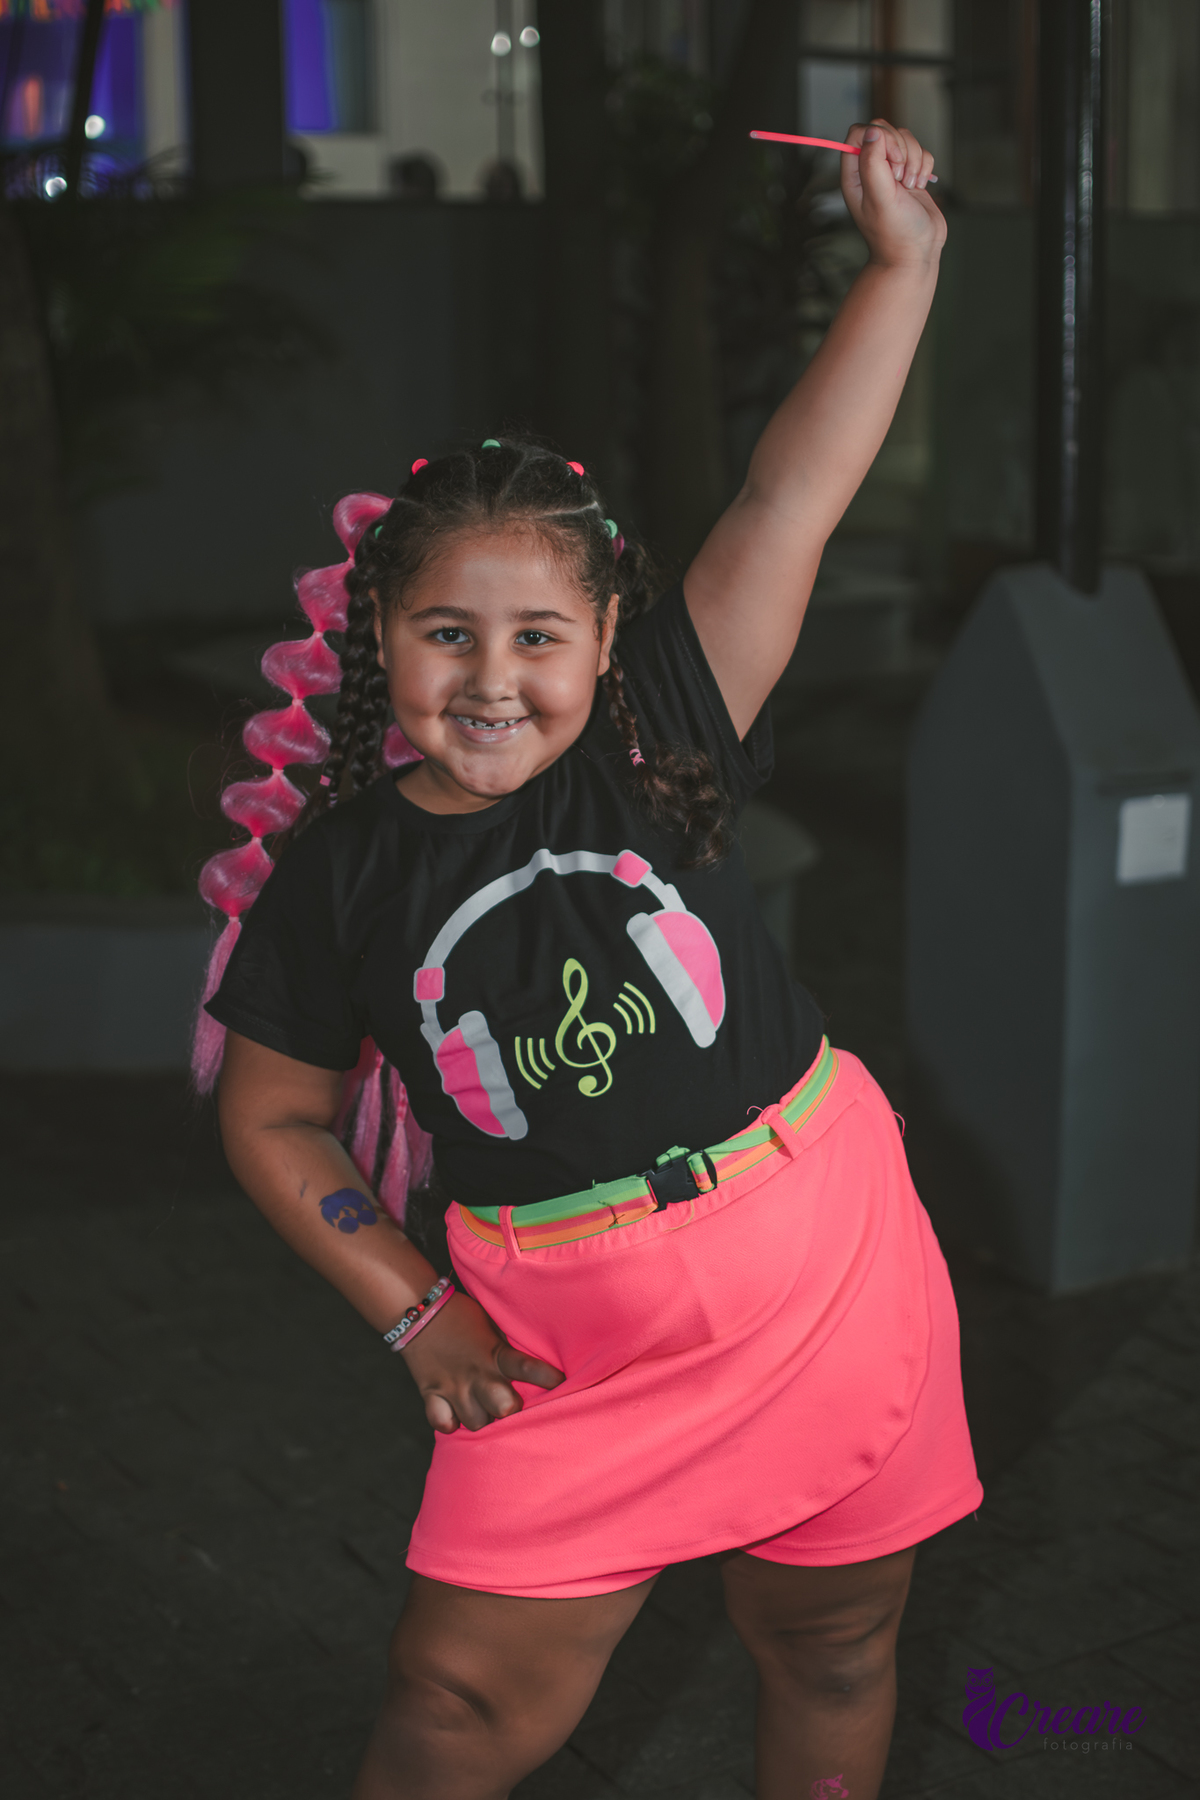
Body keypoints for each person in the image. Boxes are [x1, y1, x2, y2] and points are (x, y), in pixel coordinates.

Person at [201, 121, 981, 1800]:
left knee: (835, 1644)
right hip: (555, 1337)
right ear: (382, 635)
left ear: (611, 636)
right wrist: (413, 1314)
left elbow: (791, 490)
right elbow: (269, 1116)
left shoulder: (665, 729)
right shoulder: (342, 871)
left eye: (539, 635)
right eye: (448, 633)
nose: (494, 679)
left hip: (817, 1259)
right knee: (454, 1705)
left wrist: (900, 264)